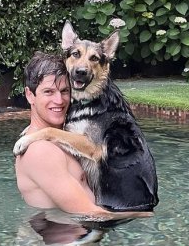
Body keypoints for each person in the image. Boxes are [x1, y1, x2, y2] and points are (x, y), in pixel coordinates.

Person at [15, 52, 152, 221]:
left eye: (65, 91)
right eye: (48, 92)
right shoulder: (41, 151)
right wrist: (143, 214)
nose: (59, 100)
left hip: (82, 237)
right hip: (66, 243)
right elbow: (91, 214)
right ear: (30, 95)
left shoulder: (62, 138)